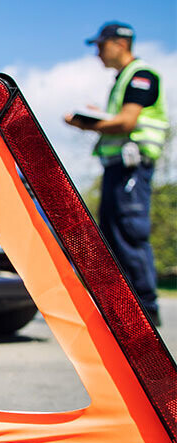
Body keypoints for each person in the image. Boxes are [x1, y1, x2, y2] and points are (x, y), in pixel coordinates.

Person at [65, 22, 169, 326]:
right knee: (112, 234)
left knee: (129, 233)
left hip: (132, 168)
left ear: (120, 44)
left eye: (100, 46)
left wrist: (89, 124)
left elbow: (126, 122)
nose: (97, 52)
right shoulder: (123, 79)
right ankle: (125, 309)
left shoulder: (141, 75)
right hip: (117, 169)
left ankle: (146, 311)